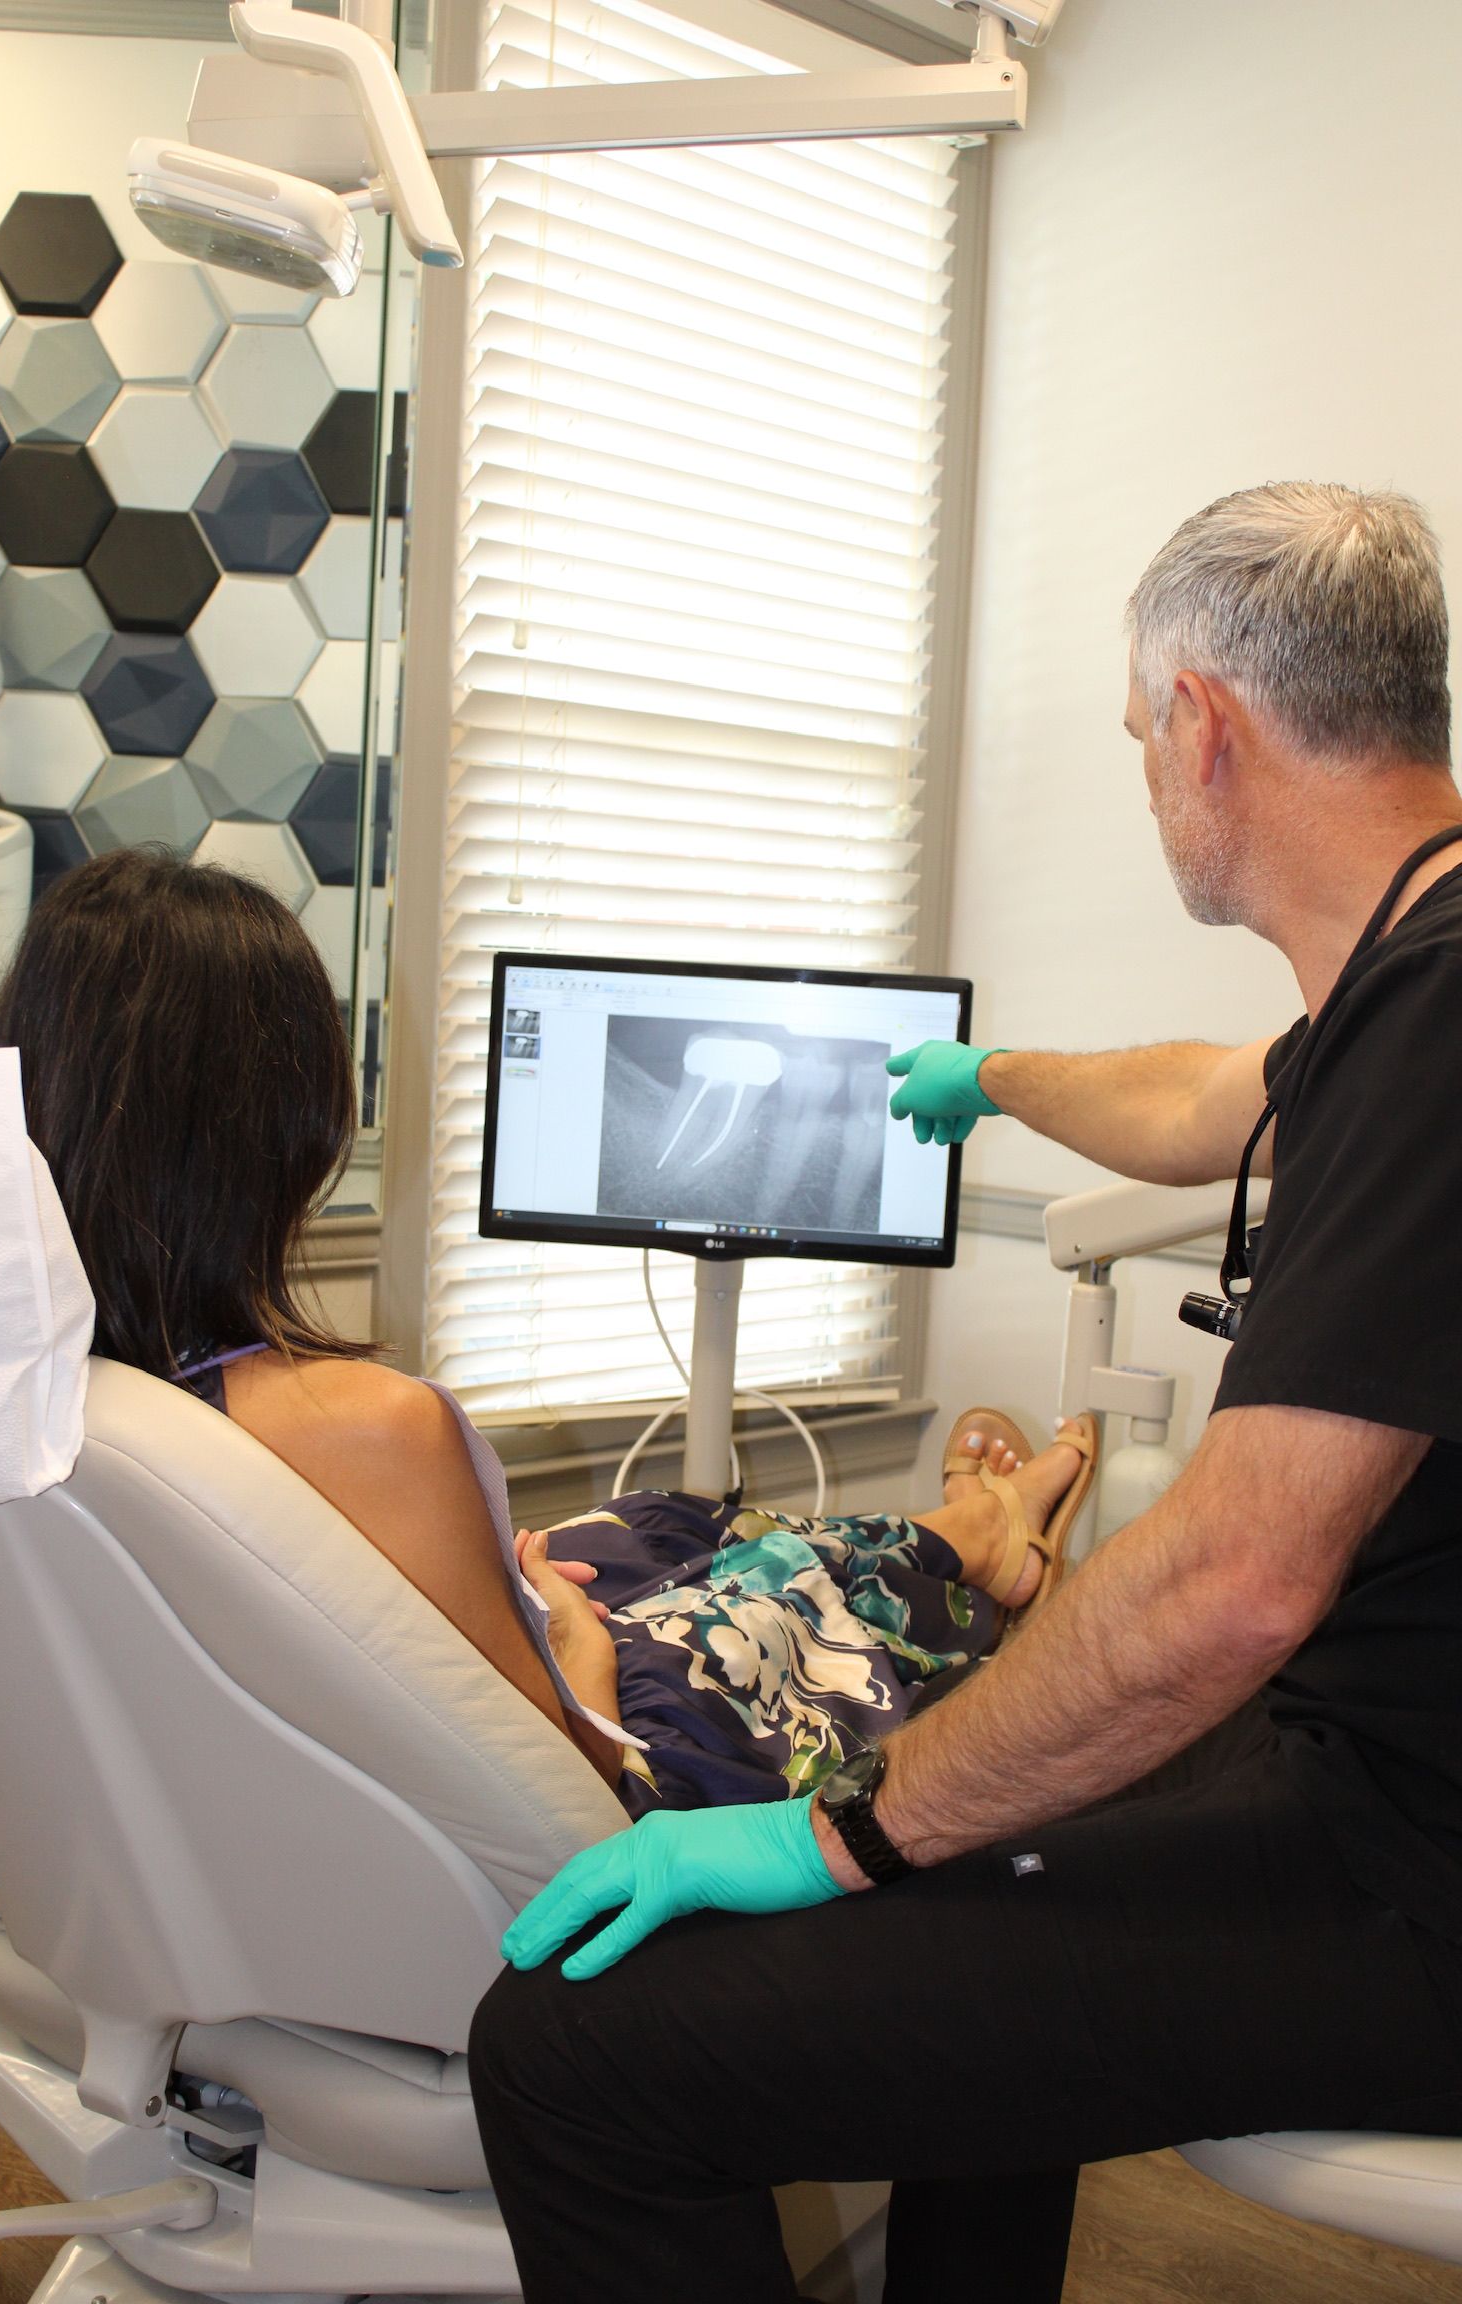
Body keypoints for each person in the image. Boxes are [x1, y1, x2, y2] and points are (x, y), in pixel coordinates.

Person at [469, 481, 1462, 2304]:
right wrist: (992, 1075)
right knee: (987, 1806)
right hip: (1375, 1769)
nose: (1146, 776)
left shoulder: (1444, 1014)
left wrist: (836, 1826)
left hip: (1414, 1873)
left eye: (1138, 735)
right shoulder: (1410, 972)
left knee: (572, 2052)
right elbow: (1205, 1098)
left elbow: (1236, 1584)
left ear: (1204, 725)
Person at [0, 846, 1094, 1818]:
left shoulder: (0, 1403)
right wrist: (571, 1641)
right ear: (281, 1128)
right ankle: (983, 1543)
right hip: (602, 1779)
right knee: (770, 1583)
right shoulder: (372, 1429)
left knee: (660, 1523)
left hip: (264, 1790)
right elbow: (561, 1786)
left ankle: (960, 1532)